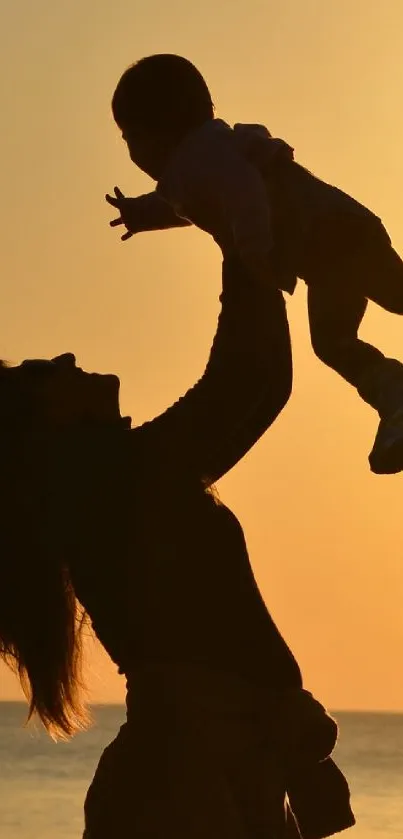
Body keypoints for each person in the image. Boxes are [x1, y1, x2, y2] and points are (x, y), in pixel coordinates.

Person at [0, 258, 355, 837]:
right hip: (184, 773)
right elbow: (248, 382)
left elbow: (259, 383)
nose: (65, 359)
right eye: (42, 373)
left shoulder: (118, 478)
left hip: (211, 765)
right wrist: (241, 234)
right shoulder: (111, 480)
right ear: (40, 427)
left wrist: (247, 242)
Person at [107, 52, 403, 476]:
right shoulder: (201, 160)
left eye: (130, 137)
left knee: (390, 298)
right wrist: (140, 214)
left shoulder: (197, 159)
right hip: (326, 252)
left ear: (157, 132)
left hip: (334, 234)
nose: (132, 151)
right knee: (334, 341)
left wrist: (254, 252)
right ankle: (394, 396)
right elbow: (191, 204)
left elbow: (241, 189)